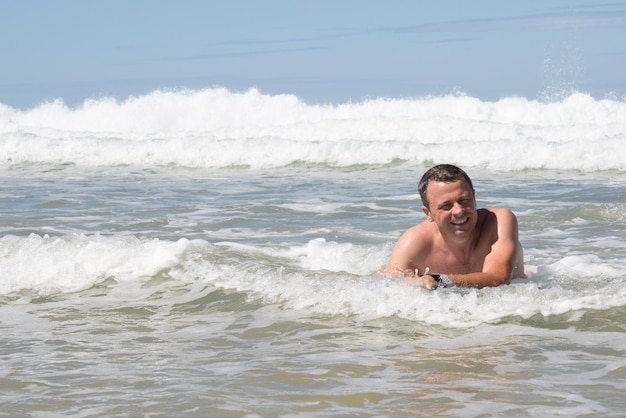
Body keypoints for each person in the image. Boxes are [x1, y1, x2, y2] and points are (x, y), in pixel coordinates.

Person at [380, 164, 525, 290]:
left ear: (474, 197)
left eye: (464, 200)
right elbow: (391, 284)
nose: (459, 211)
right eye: (446, 206)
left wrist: (440, 280)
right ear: (428, 213)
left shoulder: (498, 221)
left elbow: (498, 278)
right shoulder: (415, 241)